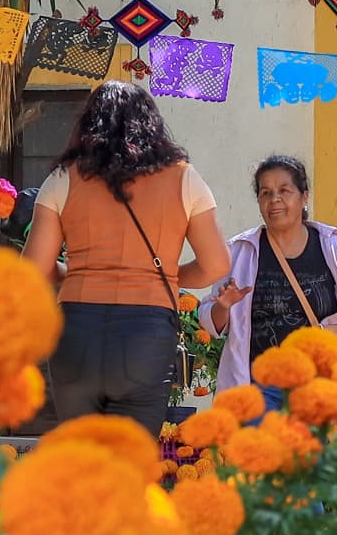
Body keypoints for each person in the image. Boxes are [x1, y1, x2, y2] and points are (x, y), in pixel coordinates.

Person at [19, 82, 226, 429]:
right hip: (145, 335)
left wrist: (75, 272)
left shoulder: (63, 179)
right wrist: (166, 277)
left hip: (76, 331)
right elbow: (216, 264)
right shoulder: (184, 178)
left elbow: (35, 268)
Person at [212, 155, 337, 388]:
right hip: (258, 387)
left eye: (284, 190)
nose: (274, 199)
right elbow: (213, 322)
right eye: (265, 193)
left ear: (304, 196)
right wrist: (223, 306)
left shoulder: (332, 248)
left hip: (318, 383)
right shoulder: (239, 252)